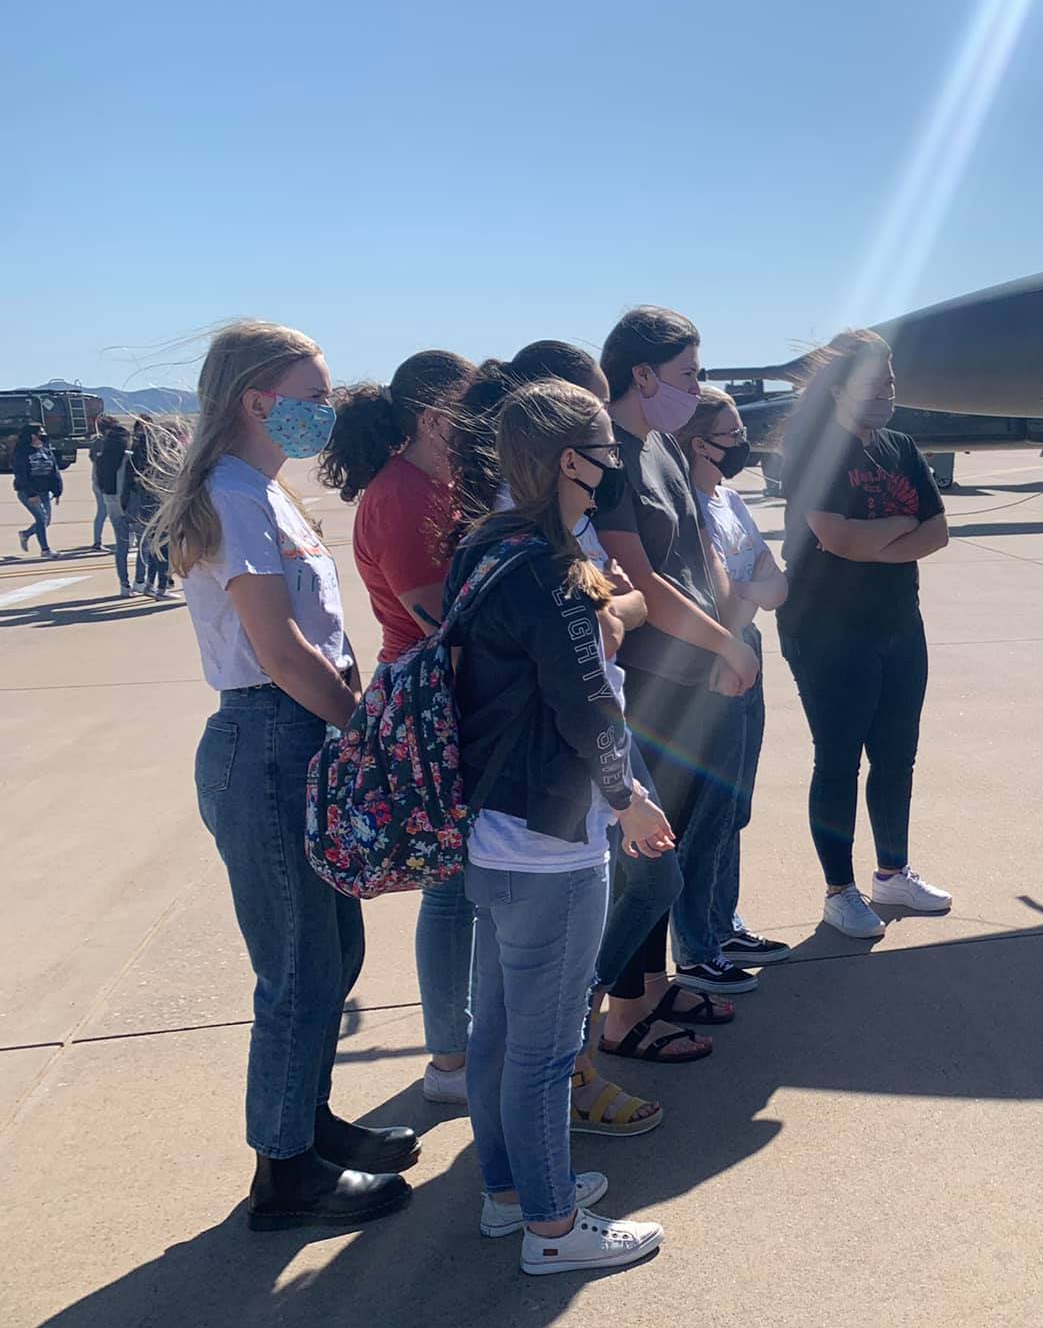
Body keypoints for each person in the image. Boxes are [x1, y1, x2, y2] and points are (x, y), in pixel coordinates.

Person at [154, 319, 415, 1231]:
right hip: (271, 740)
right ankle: (285, 1174)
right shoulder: (233, 496)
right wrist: (367, 736)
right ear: (258, 401)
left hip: (302, 737)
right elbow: (281, 650)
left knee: (334, 953)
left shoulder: (267, 493)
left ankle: (307, 1123)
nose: (326, 412)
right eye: (315, 395)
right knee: (299, 969)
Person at [444, 378, 671, 1275]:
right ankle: (550, 1228)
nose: (613, 460)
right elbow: (586, 706)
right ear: (570, 460)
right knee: (542, 1053)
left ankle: (510, 1193)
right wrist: (629, 799)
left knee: (498, 1037)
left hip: (490, 832)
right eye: (603, 446)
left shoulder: (485, 548)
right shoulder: (549, 567)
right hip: (551, 844)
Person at [321, 350, 480, 1106]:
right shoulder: (401, 495)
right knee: (450, 888)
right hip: (430, 702)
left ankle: (461, 1044)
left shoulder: (440, 485)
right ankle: (450, 1059)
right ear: (431, 416)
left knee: (467, 885)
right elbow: (441, 616)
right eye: (470, 409)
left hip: (453, 696)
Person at [591, 307, 762, 1006]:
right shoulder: (613, 456)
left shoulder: (661, 445)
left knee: (679, 842)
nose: (697, 387)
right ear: (642, 373)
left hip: (700, 671)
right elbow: (641, 579)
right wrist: (722, 641)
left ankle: (653, 992)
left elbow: (699, 555)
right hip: (653, 681)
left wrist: (730, 637)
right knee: (646, 859)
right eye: (688, 373)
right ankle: (616, 1009)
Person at [775, 329, 952, 938]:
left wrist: (875, 536)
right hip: (826, 631)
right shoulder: (815, 451)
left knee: (897, 757)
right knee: (839, 762)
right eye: (875, 382)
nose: (887, 391)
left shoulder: (901, 445)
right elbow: (838, 539)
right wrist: (900, 526)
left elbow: (939, 533)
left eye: (892, 380)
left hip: (900, 624)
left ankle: (892, 873)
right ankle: (839, 890)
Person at [675, 385, 790, 967]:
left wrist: (746, 595)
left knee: (735, 804)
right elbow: (726, 601)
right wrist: (749, 596)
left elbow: (778, 582)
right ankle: (698, 944)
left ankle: (723, 920)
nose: (743, 442)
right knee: (708, 811)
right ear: (699, 443)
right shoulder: (687, 506)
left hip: (747, 651)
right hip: (718, 660)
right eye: (732, 433)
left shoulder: (729, 499)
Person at [124, 416, 175, 598]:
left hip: (145, 503)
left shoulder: (135, 452)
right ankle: (160, 587)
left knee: (153, 546)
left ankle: (149, 584)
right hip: (157, 503)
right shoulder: (156, 459)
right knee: (162, 546)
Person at [13, 425, 62, 557]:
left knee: (46, 521)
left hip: (44, 491)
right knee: (41, 519)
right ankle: (45, 549)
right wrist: (31, 494)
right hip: (28, 492)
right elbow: (21, 474)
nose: (42, 435)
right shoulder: (22, 452)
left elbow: (54, 471)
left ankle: (26, 534)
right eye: (39, 433)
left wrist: (57, 490)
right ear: (32, 435)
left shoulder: (46, 450)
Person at [90, 416, 132, 564]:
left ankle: (98, 541)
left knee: (103, 512)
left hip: (103, 484)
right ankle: (98, 541)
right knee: (104, 512)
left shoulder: (102, 443)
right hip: (109, 486)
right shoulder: (108, 443)